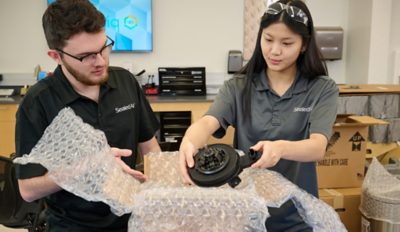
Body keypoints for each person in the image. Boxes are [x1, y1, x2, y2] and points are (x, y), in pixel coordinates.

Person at [179, 0, 338, 231]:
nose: (274, 51)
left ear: (304, 45)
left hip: (298, 218)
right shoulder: (238, 87)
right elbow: (207, 122)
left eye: (286, 43)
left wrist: (281, 148)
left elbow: (317, 147)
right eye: (268, 39)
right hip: (246, 216)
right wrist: (189, 141)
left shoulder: (321, 89)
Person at [14, 0, 161, 231]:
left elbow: (151, 150)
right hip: (72, 225)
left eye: (104, 47)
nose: (101, 61)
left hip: (132, 219)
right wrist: (85, 168)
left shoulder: (126, 83)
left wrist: (161, 196)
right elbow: (28, 190)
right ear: (56, 56)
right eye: (86, 56)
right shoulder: (38, 102)